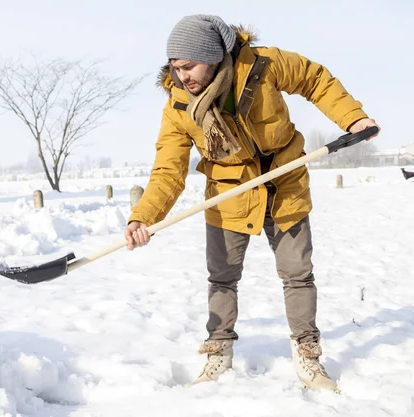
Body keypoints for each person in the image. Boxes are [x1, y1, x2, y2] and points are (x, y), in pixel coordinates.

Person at [123, 14, 380, 391]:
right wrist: (142, 216)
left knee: (298, 273)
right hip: (229, 193)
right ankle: (219, 352)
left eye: (189, 66)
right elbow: (168, 169)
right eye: (175, 68)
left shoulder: (263, 65)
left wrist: (353, 118)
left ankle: (308, 354)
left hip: (285, 181)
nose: (182, 77)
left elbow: (315, 79)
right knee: (222, 276)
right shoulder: (179, 107)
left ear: (212, 57)